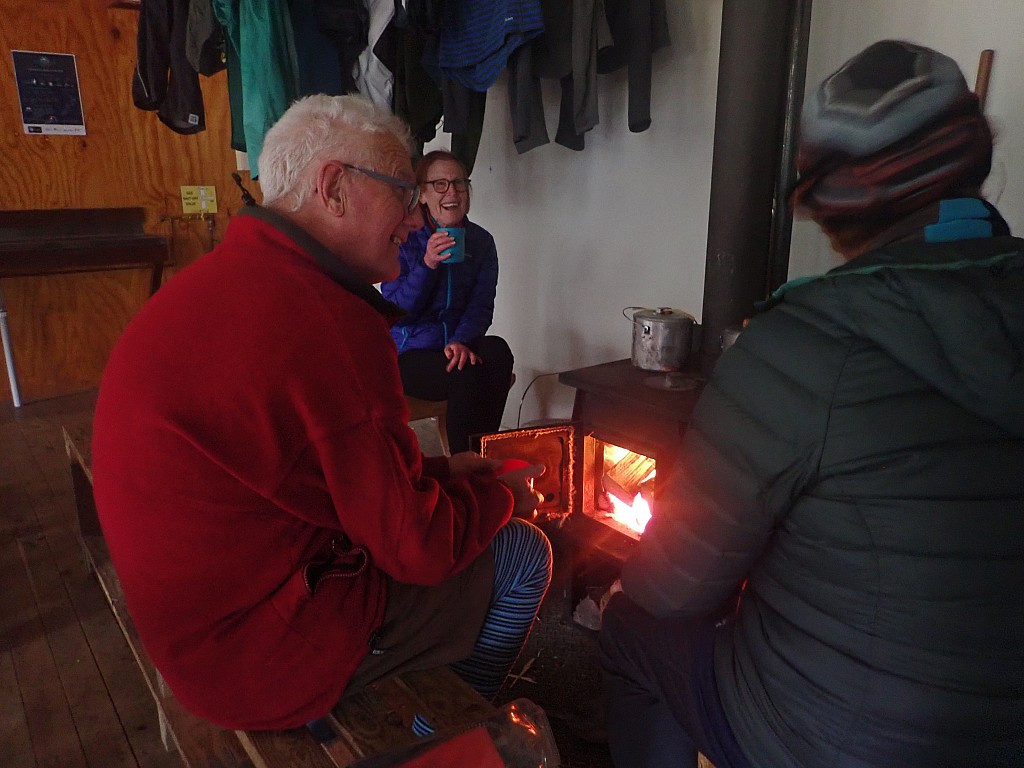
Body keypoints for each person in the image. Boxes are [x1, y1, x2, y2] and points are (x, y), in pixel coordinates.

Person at [598, 39, 1024, 768]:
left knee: (632, 627)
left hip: (836, 742)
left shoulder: (804, 343)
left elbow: (672, 586)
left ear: (834, 205)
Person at [90, 94, 552, 731]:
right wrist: (504, 500)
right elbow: (416, 549)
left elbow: (319, 465)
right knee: (523, 556)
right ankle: (440, 738)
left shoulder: (232, 277)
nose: (418, 220)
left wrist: (446, 474)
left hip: (198, 631)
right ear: (334, 188)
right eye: (404, 193)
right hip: (255, 661)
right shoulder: (327, 318)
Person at [380, 149, 514, 454]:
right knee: (464, 373)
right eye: (439, 184)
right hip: (408, 351)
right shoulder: (404, 237)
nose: (451, 191)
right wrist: (428, 264)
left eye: (459, 183)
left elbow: (481, 305)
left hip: (454, 345)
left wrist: (461, 340)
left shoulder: (480, 242)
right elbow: (396, 313)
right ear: (423, 195)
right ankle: (464, 466)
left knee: (497, 353)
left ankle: (483, 453)